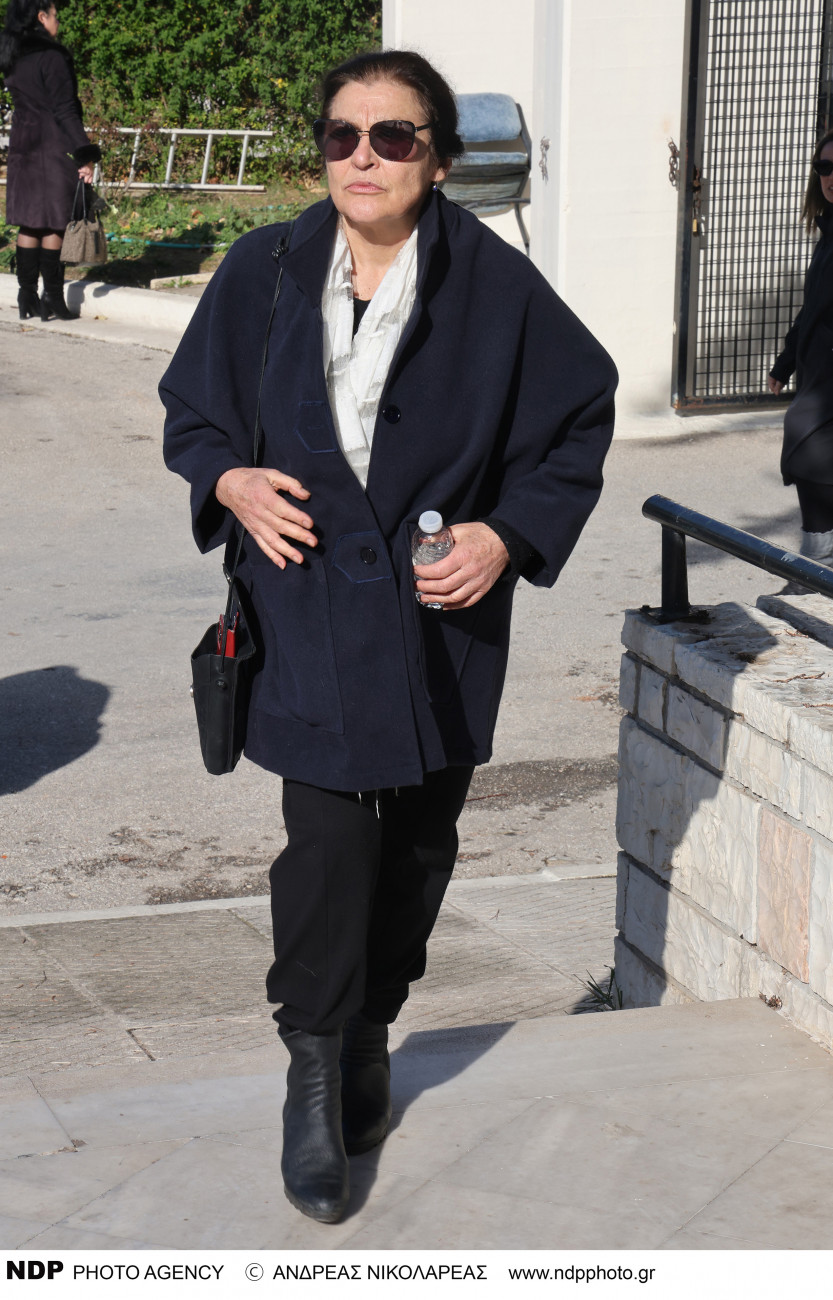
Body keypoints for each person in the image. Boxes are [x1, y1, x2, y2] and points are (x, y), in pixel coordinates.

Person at [161, 49, 617, 1225]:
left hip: (437, 620)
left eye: (392, 137)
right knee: (324, 846)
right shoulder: (262, 269)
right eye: (340, 136)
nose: (361, 158)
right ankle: (313, 1069)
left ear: (438, 158)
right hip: (301, 605)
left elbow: (576, 417)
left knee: (417, 844)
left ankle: (370, 1028)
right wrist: (230, 482)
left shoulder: (497, 288)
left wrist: (506, 536)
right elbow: (194, 413)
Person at [0, 0, 100, 320]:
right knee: (55, 222)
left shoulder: (13, 57)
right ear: (42, 17)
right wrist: (84, 153)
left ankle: (26, 295)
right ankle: (53, 298)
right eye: (55, 16)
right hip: (52, 147)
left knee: (31, 223)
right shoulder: (52, 57)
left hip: (23, 146)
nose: (58, 22)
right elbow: (65, 109)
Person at [769, 127, 833, 573]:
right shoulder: (827, 236)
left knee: (808, 452)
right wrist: (785, 362)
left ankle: (815, 570)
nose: (830, 177)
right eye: (824, 167)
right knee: (813, 463)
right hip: (817, 373)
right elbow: (811, 308)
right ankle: (817, 567)